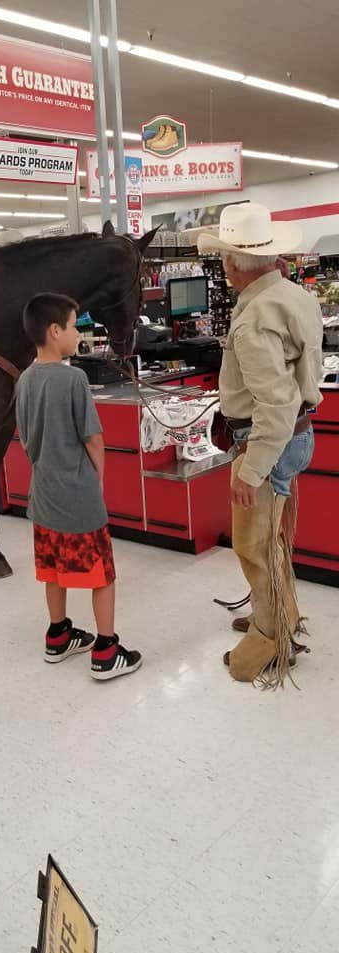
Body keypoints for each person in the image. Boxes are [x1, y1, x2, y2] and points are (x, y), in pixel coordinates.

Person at [198, 203, 323, 687]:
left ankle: (270, 642)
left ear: (231, 265)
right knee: (274, 541)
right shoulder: (295, 296)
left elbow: (272, 405)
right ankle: (281, 614)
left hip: (266, 444)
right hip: (298, 436)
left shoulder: (252, 322)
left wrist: (250, 471)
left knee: (253, 547)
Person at [16, 292, 143, 681]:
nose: (78, 332)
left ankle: (58, 635)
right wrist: (99, 477)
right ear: (55, 331)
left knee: (53, 569)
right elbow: (93, 438)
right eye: (73, 325)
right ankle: (106, 650)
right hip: (78, 494)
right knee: (101, 573)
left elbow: (25, 438)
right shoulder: (73, 378)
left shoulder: (24, 379)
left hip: (43, 493)